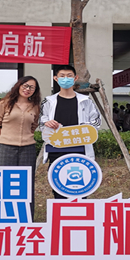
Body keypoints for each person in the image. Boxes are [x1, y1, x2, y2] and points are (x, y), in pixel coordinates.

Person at [40, 65, 101, 199]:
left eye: (69, 76)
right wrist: (47, 123)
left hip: (80, 150)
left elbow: (96, 121)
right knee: (58, 187)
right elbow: (41, 122)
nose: (65, 79)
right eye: (62, 76)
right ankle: (60, 210)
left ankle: (79, 211)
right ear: (55, 78)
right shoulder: (49, 101)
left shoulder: (86, 101)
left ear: (75, 78)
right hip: (56, 149)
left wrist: (85, 128)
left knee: (80, 188)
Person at [0, 76, 42, 218]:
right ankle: (2, 215)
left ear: (35, 91)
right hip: (6, 147)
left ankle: (26, 216)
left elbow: (34, 125)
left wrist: (27, 136)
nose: (27, 89)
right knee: (3, 181)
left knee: (26, 183)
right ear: (18, 86)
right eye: (25, 86)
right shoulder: (4, 104)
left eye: (32, 87)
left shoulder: (35, 106)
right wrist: (2, 140)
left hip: (28, 148)